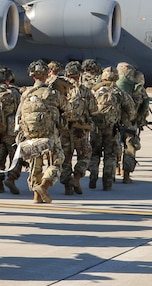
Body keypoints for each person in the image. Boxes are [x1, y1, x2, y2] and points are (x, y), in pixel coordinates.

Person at [13, 60, 65, 203]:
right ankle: (44, 186)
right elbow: (65, 109)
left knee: (35, 163)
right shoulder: (52, 93)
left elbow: (20, 114)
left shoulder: (25, 94)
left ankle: (36, 196)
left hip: (30, 133)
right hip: (49, 133)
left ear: (32, 75)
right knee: (57, 161)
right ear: (46, 75)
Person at [88, 66, 136, 191]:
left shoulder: (94, 91)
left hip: (95, 128)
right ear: (116, 78)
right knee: (110, 155)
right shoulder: (119, 92)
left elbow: (86, 108)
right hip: (112, 129)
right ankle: (107, 182)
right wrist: (123, 119)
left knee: (94, 153)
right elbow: (131, 111)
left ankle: (93, 177)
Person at [59, 61, 96, 195]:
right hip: (81, 129)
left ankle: (67, 186)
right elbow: (94, 109)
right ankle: (77, 177)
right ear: (79, 75)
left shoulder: (60, 89)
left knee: (65, 158)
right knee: (85, 155)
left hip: (64, 130)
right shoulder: (85, 90)